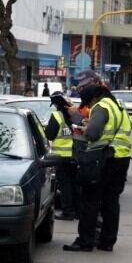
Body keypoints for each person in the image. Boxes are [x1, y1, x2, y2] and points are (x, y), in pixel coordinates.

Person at [63, 83, 132, 252]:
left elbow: (93, 134)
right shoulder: (117, 106)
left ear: (93, 98)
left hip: (103, 158)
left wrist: (80, 122)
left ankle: (85, 241)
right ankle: (107, 242)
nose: (89, 106)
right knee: (111, 201)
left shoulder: (101, 106)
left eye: (88, 103)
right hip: (121, 157)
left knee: (90, 200)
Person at [45, 91, 82, 220]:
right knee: (74, 183)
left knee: (65, 185)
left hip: (61, 156)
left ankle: (68, 212)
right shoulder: (73, 115)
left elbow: (49, 135)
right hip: (75, 155)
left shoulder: (56, 116)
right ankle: (78, 211)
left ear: (56, 104)